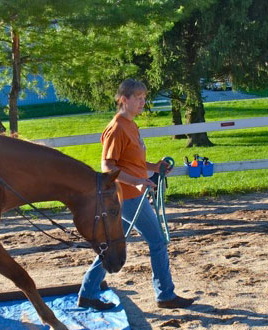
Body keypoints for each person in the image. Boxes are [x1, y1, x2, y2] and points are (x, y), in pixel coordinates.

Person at [77, 79, 194, 311]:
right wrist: (138, 181)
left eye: (144, 97)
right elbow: (108, 167)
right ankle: (165, 295)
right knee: (157, 242)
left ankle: (88, 292)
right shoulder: (117, 128)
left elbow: (132, 163)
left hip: (133, 195)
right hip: (127, 197)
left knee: (112, 244)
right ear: (124, 100)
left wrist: (154, 166)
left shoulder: (131, 125)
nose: (143, 102)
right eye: (138, 98)